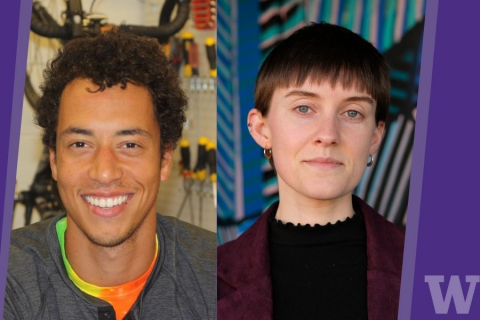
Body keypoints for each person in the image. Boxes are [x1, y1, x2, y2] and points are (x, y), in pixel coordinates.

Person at [5, 32, 215, 320]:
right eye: (80, 144)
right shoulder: (11, 279)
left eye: (129, 145)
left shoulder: (221, 275)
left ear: (165, 159)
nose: (104, 172)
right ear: (54, 160)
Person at [217, 22, 404, 320]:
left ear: (375, 137)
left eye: (352, 112)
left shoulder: (431, 272)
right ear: (262, 129)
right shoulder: (209, 281)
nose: (328, 134)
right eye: (304, 108)